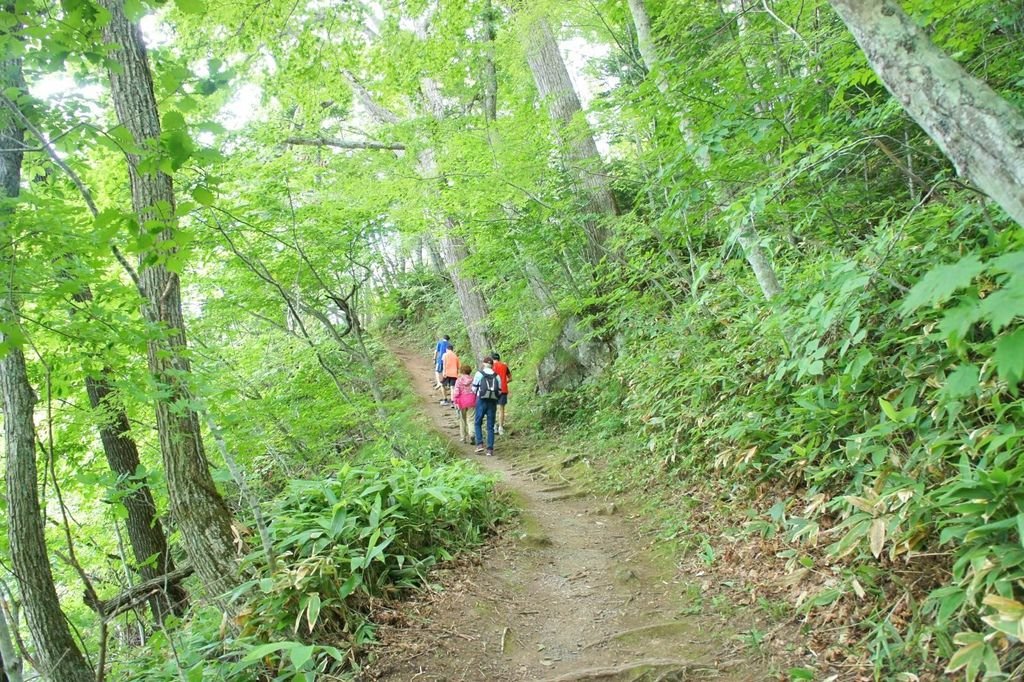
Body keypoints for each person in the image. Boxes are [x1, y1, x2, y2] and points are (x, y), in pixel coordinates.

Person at [472, 356, 502, 456]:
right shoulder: (496, 376)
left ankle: (480, 444)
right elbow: (500, 390)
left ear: (484, 364)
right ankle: (490, 449)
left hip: (481, 400)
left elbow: (474, 388)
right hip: (492, 402)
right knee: (490, 426)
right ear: (492, 365)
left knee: (477, 422)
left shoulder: (479, 374)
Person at [452, 362, 477, 443]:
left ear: (461, 371)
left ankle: (463, 437)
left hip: (461, 402)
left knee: (462, 420)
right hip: (472, 401)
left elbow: (456, 392)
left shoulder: (458, 380)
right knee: (471, 419)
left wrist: (455, 401)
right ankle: (472, 434)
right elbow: (476, 390)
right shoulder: (473, 380)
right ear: (469, 371)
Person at [491, 351, 511, 435]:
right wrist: (504, 382)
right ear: (499, 359)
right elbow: (510, 378)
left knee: (492, 409)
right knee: (501, 409)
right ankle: (501, 428)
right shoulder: (504, 366)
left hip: (492, 390)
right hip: (503, 389)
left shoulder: (490, 366)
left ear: (492, 359)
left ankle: (494, 426)